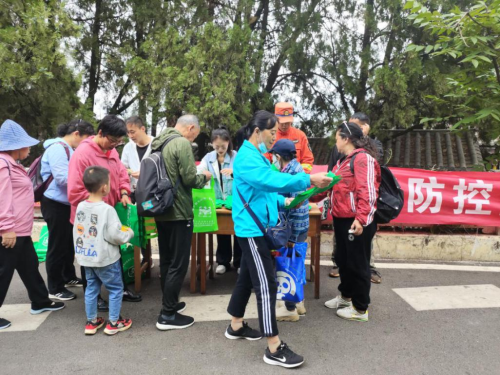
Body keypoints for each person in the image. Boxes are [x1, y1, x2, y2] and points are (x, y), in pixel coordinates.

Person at [225, 110, 333, 368]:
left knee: (248, 277)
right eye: (272, 132)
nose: (275, 137)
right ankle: (273, 346)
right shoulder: (248, 158)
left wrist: (281, 200)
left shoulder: (255, 156)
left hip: (257, 228)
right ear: (256, 131)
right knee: (267, 284)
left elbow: (261, 191)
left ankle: (236, 325)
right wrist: (307, 178)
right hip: (253, 230)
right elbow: (269, 180)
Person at [67, 115, 142, 309]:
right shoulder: (82, 154)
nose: (114, 146)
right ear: (100, 133)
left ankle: (120, 287)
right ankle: (94, 296)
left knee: (114, 253)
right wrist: (99, 204)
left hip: (110, 213)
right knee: (91, 257)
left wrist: (124, 191)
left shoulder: (112, 152)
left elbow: (121, 173)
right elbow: (75, 191)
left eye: (119, 143)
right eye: (112, 141)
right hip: (90, 219)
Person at [0, 120, 65, 331]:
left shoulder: (11, 163)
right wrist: (6, 227)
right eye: (26, 145)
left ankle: (40, 300)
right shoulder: (3, 163)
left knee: (29, 265)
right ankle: (40, 300)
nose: (29, 148)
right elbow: (2, 197)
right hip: (10, 230)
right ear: (16, 146)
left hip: (20, 229)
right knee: (3, 272)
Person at [153, 114, 211, 331]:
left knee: (167, 261)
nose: (195, 136)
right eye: (195, 132)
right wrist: (204, 176)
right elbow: (189, 179)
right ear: (190, 127)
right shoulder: (181, 144)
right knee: (179, 263)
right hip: (179, 212)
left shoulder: (159, 142)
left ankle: (170, 303)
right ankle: (167, 315)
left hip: (162, 210)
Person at [324, 122, 381, 322]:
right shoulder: (343, 161)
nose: (335, 142)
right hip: (342, 218)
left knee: (358, 263)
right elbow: (331, 188)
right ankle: (346, 297)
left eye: (337, 138)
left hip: (356, 220)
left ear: (346, 138)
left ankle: (360, 308)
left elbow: (367, 191)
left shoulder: (362, 159)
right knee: (343, 260)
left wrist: (361, 219)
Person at [74, 166, 134, 335]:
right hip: (106, 258)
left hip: (87, 257)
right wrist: (129, 233)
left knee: (91, 288)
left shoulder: (80, 207)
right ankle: (114, 322)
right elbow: (115, 235)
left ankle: (92, 321)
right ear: (104, 187)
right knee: (115, 288)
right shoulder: (107, 209)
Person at [40, 120, 95, 301]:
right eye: (86, 138)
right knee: (57, 245)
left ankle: (68, 276)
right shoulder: (57, 149)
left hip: (67, 203)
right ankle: (55, 286)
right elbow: (63, 178)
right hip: (55, 203)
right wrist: (90, 185)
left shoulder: (70, 149)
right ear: (77, 134)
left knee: (69, 243)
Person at [269, 139, 309, 322]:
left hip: (292, 228)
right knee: (297, 263)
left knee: (288, 265)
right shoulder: (297, 169)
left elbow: (293, 206)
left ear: (278, 156)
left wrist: (290, 237)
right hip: (300, 226)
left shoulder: (291, 174)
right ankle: (298, 302)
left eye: (273, 156)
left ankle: (289, 308)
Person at [197, 127, 241, 275]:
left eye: (223, 146)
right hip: (216, 201)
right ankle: (223, 261)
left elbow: (246, 174)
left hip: (234, 201)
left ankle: (239, 262)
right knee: (221, 232)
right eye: (217, 147)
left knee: (238, 231)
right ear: (212, 144)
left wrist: (234, 172)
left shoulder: (236, 156)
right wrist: (204, 173)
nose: (220, 149)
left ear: (228, 143)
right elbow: (199, 171)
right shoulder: (208, 157)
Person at [121, 115, 154, 268]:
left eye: (133, 132)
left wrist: (145, 173)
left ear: (143, 128)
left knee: (154, 225)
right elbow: (123, 168)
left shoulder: (156, 144)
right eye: (128, 133)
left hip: (152, 194)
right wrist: (130, 172)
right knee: (137, 225)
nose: (131, 136)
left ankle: (154, 260)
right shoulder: (128, 147)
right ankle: (142, 259)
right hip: (134, 192)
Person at [265, 102, 314, 174]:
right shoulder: (268, 135)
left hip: (297, 179)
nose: (284, 125)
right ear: (275, 119)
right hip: (275, 180)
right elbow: (264, 160)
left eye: (287, 122)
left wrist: (299, 175)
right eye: (282, 122)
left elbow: (308, 160)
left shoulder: (300, 135)